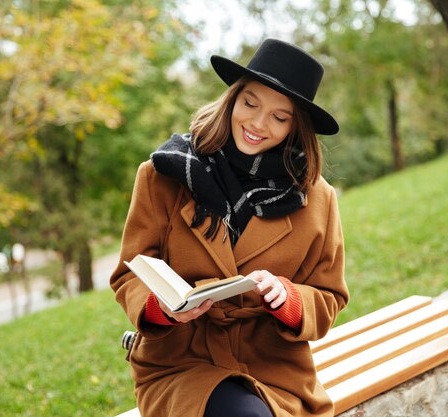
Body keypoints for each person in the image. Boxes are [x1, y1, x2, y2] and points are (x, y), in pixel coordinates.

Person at [110, 38, 349, 417]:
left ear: (295, 126)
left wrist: (287, 299)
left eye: (279, 116)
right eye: (250, 103)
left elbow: (329, 297)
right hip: (180, 362)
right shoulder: (165, 173)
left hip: (275, 370)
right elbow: (129, 274)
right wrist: (164, 308)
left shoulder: (317, 198)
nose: (257, 123)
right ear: (233, 99)